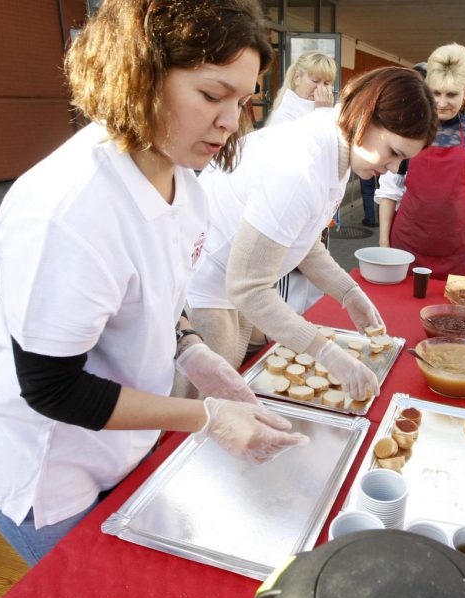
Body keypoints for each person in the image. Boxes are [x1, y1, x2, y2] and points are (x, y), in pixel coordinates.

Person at [0, 0, 309, 566]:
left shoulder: (186, 185)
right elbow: (52, 388)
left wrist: (192, 350)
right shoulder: (70, 211)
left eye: (242, 102)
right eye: (212, 95)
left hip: (120, 444)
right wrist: (204, 417)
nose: (230, 122)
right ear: (141, 75)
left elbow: (160, 298)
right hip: (48, 473)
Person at [186, 67, 437, 402]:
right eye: (394, 152)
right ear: (364, 117)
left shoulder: (337, 146)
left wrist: (349, 293)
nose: (393, 168)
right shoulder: (299, 169)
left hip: (233, 283)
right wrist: (325, 352)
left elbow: (303, 241)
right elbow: (248, 288)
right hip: (205, 286)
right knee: (204, 408)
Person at [376, 43, 465, 280]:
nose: (442, 103)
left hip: (459, 249)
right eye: (436, 93)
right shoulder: (411, 126)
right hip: (406, 244)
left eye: (451, 94)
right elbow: (390, 190)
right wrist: (384, 242)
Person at [265, 51, 340, 315]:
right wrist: (323, 115)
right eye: (315, 80)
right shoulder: (285, 117)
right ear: (297, 77)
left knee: (312, 297)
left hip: (313, 223)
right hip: (288, 225)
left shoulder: (315, 112)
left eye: (328, 83)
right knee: (290, 301)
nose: (321, 90)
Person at [266, 50, 336, 127]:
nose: (321, 88)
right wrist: (323, 113)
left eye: (326, 83)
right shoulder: (284, 115)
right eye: (315, 81)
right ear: (297, 78)